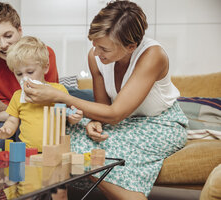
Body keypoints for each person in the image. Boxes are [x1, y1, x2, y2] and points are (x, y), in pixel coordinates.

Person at [23, 1, 188, 199]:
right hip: (124, 123)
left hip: (161, 124)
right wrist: (94, 121)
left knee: (84, 147)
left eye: (104, 49)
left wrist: (60, 96)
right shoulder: (96, 57)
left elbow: (116, 114)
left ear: (131, 46)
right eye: (94, 44)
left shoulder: (153, 55)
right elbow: (103, 108)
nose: (96, 52)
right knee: (67, 133)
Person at [0, 1, 59, 149]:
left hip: (39, 110)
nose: (3, 44)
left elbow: (42, 106)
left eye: (8, 35)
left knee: (22, 131)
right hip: (14, 114)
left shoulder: (44, 54)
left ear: (20, 30)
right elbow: (10, 109)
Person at [0, 36, 83, 152]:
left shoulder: (58, 90)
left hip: (55, 150)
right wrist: (6, 130)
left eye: (30, 72)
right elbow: (12, 121)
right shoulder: (17, 96)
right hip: (27, 151)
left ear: (45, 68)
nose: (25, 78)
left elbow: (66, 114)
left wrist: (74, 117)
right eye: (19, 74)